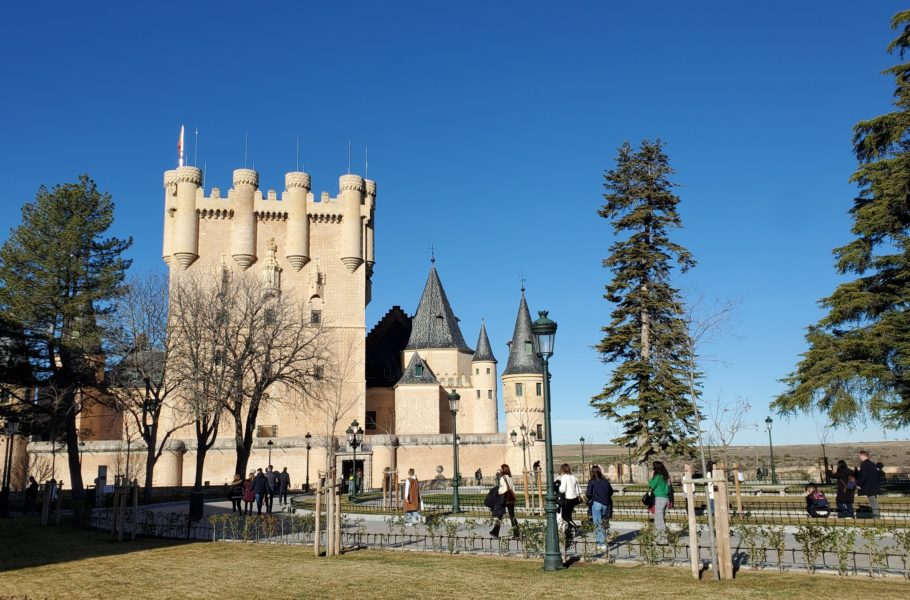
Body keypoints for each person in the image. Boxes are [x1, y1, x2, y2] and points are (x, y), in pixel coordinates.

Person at [586, 465, 614, 552]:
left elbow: (588, 493)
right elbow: (611, 491)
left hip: (596, 503)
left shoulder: (592, 482)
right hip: (605, 504)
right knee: (603, 522)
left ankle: (601, 543)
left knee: (597, 523)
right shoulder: (605, 481)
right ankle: (602, 540)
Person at [490, 463, 520, 540]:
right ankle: (517, 534)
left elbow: (502, 490)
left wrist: (497, 491)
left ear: (504, 470)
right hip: (510, 499)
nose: (500, 470)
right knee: (512, 517)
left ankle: (495, 532)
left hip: (504, 499)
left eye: (501, 469)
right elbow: (513, 489)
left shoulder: (502, 478)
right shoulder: (510, 477)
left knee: (500, 515)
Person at [557, 463, 581, 538]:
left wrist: (559, 488)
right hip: (574, 499)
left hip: (568, 499)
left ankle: (574, 527)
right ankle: (570, 529)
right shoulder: (573, 477)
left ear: (562, 470)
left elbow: (563, 489)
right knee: (568, 515)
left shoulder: (564, 477)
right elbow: (578, 490)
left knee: (564, 516)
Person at [856, 450, 882, 518]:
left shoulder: (864, 464)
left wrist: (859, 484)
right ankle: (876, 514)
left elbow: (863, 475)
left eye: (859, 456)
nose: (859, 457)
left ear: (863, 456)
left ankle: (876, 515)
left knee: (872, 501)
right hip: (874, 485)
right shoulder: (872, 464)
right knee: (873, 500)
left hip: (869, 486)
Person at [649, 461, 671, 535]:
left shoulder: (658, 476)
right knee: (661, 518)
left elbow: (652, 486)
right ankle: (659, 536)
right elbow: (669, 486)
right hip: (666, 498)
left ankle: (662, 539)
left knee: (659, 520)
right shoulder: (665, 476)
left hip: (660, 498)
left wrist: (651, 477)